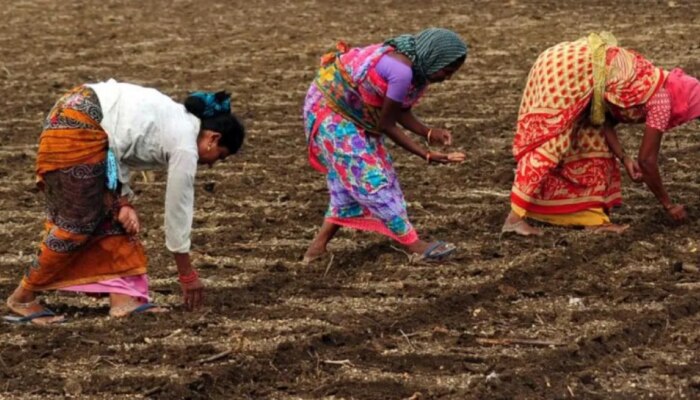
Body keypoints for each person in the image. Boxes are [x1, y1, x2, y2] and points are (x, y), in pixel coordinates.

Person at [4, 80, 245, 324]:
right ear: (213, 139)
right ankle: (22, 297)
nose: (212, 164)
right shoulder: (185, 144)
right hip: (79, 127)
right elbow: (178, 209)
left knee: (114, 218)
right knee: (75, 226)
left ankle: (123, 299)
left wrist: (122, 202)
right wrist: (187, 274)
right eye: (220, 157)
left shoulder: (175, 119)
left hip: (76, 112)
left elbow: (117, 148)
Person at [502, 32, 700, 236]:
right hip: (569, 70)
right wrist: (669, 205)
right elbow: (647, 161)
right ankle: (514, 219)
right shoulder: (662, 102)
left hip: (574, 66)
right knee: (553, 142)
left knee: (592, 140)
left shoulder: (658, 83)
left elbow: (603, 122)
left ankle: (588, 217)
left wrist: (623, 157)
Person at [302, 28, 467, 263]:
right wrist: (426, 154)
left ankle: (316, 249)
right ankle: (414, 245)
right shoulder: (401, 72)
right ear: (433, 58)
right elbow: (387, 124)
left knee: (350, 181)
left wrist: (428, 132)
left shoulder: (414, 66)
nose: (446, 78)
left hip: (354, 114)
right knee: (371, 179)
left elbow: (397, 108)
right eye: (446, 71)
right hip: (330, 112)